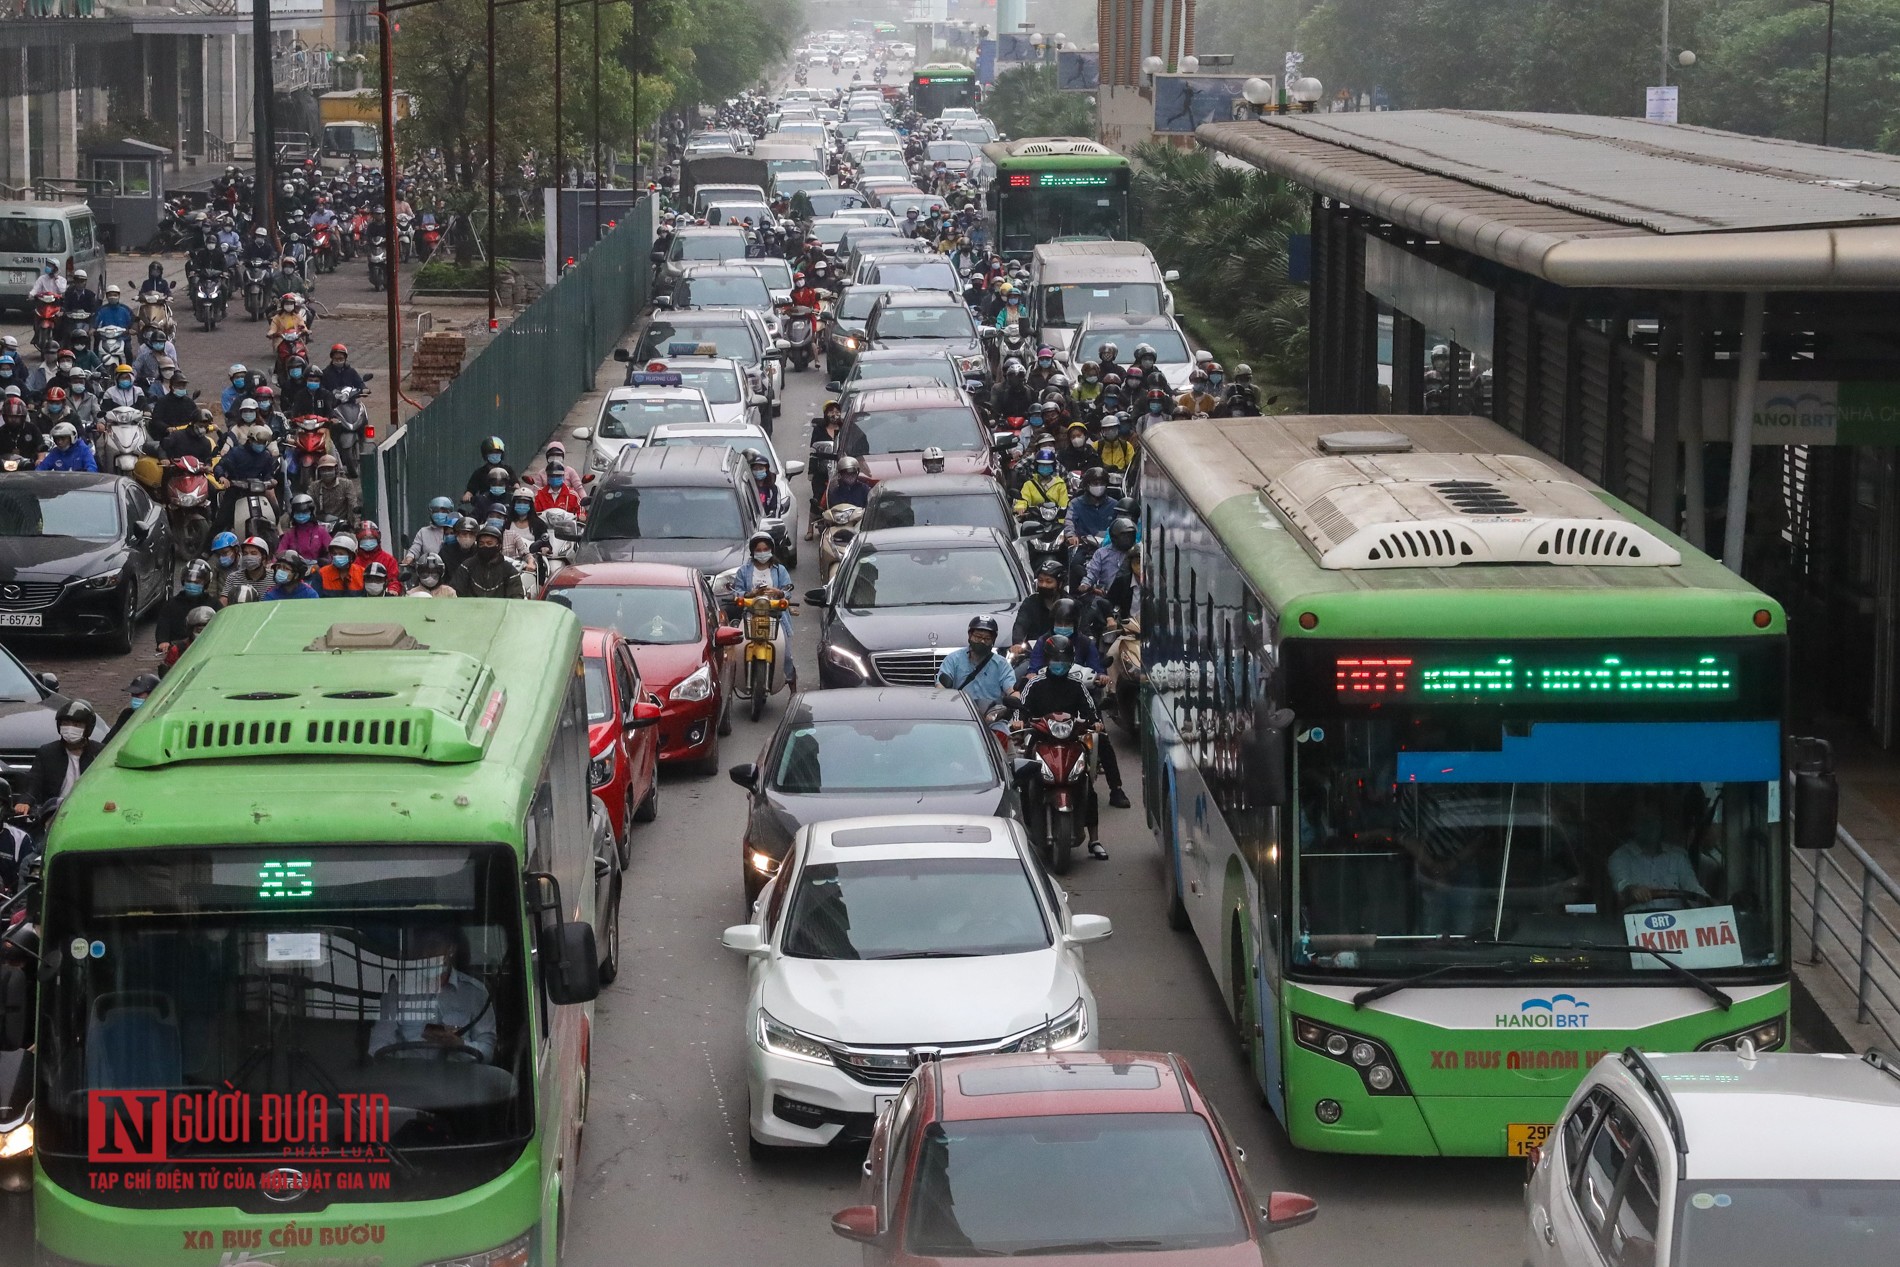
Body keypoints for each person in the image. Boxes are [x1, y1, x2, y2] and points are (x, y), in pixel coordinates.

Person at [1016, 637, 1109, 858]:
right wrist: (1019, 721)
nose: (1060, 663)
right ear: (1048, 660)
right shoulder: (1034, 684)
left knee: (1086, 784)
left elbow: (1090, 710)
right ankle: (1020, 831)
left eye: (1065, 659)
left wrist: (1095, 721)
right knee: (1022, 781)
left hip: (1069, 742)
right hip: (1040, 740)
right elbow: (1021, 708)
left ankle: (1094, 839)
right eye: (1056, 659)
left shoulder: (1077, 685)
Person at [368, 925, 497, 1062]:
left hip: (459, 1078)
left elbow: (487, 1051)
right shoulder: (398, 988)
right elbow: (379, 1042)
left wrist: (459, 1044)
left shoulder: (475, 991)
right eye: (420, 947)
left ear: (450, 949)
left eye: (433, 946)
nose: (425, 953)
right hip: (407, 1076)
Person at [1608, 807, 1710, 913]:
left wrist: (1710, 903)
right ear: (1633, 826)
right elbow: (1621, 884)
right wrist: (1632, 890)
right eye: (1645, 821)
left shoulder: (1677, 856)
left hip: (1677, 923)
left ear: (1661, 824)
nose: (1650, 826)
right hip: (1636, 922)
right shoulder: (1620, 856)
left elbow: (1692, 888)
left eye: (1654, 820)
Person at [730, 531, 796, 685]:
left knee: (786, 654)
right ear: (753, 552)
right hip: (750, 616)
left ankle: (792, 685)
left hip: (776, 616)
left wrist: (778, 592)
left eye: (765, 549)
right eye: (758, 550)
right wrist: (750, 593)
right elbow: (737, 591)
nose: (762, 553)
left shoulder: (780, 570)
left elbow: (788, 591)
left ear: (771, 550)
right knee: (738, 649)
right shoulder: (744, 571)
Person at [935, 615, 1018, 736]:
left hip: (992, 719)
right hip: (960, 716)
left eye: (987, 638)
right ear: (970, 636)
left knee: (1005, 739)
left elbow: (1012, 689)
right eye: (978, 637)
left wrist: (1015, 699)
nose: (982, 641)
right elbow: (940, 687)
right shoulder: (953, 659)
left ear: (993, 640)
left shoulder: (1001, 664)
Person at [22, 699, 100, 813]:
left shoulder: (100, 753)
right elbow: (33, 783)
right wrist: (25, 801)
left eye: (76, 725)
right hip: (54, 812)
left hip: (90, 811)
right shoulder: (47, 752)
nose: (69, 728)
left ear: (87, 727)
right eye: (65, 724)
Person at [450, 520, 527, 598]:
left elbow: (516, 597)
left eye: (489, 543)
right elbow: (455, 592)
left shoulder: (509, 570)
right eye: (481, 544)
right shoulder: (466, 567)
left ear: (499, 546)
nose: (485, 546)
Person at [1011, 558, 1067, 651]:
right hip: (1033, 652)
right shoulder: (1030, 602)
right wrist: (1018, 643)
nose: (1043, 585)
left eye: (1048, 582)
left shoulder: (1070, 604)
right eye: (1040, 581)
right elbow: (1020, 625)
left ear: (1060, 584)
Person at [1079, 517, 1137, 601]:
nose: (1128, 539)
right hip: (1105, 596)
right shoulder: (1101, 553)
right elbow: (1092, 572)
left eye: (1130, 535)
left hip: (1130, 597)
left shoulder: (1137, 553)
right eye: (1124, 536)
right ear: (1114, 537)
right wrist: (1085, 584)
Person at [1012, 447, 1069, 517]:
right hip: (1035, 520)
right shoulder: (1029, 484)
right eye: (1042, 465)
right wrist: (1020, 507)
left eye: (1048, 465)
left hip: (1055, 521)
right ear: (1036, 466)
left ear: (1053, 466)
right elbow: (1023, 499)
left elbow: (1064, 506)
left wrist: (1061, 522)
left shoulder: (1060, 484)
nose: (1045, 467)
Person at [277, 492, 333, 562]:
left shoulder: (321, 532)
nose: (300, 515)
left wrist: (324, 563)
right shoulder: (290, 534)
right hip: (295, 569)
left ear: (311, 512)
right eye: (297, 513)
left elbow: (332, 551)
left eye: (304, 512)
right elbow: (280, 553)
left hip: (317, 569)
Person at [106, 672, 161, 742]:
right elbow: (109, 741)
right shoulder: (127, 714)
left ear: (153, 695)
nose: (134, 698)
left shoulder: (160, 718)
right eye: (133, 694)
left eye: (138, 695)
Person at [406, 496, 459, 568]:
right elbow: (416, 547)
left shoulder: (456, 529)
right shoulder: (423, 532)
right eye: (436, 511)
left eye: (443, 511)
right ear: (431, 513)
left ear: (450, 512)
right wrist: (410, 557)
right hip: (429, 571)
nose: (439, 514)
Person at [311, 454, 361, 525]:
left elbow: (352, 504)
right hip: (321, 525)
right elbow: (310, 506)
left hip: (342, 524)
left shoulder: (346, 484)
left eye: (329, 469)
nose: (326, 473)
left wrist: (356, 521)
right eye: (323, 470)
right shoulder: (314, 486)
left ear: (336, 469)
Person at [223, 535, 274, 604]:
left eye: (253, 553)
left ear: (264, 557)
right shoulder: (233, 577)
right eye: (245, 553)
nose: (248, 557)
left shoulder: (273, 578)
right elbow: (223, 603)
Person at [464, 436, 513, 504]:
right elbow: (471, 489)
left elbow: (515, 484)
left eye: (497, 452)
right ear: (485, 454)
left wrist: (517, 488)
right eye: (491, 452)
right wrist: (468, 495)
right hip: (485, 505)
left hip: (505, 503)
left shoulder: (508, 470)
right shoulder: (479, 473)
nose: (495, 455)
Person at [315, 532, 366, 597]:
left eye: (341, 554)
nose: (337, 556)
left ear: (351, 556)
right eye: (334, 554)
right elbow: (316, 601)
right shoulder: (322, 574)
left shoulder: (362, 573)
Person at [744, 448, 789, 518]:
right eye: (755, 469)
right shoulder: (748, 487)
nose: (758, 471)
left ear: (766, 469)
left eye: (761, 468)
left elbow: (776, 510)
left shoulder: (773, 489)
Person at [439, 515, 481, 579]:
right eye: (464, 533)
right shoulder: (446, 552)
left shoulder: (480, 552)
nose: (467, 537)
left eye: (471, 534)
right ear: (456, 534)